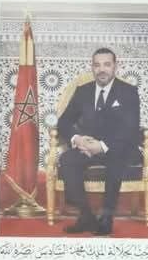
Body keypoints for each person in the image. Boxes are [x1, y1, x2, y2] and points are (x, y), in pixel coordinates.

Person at [57, 47, 141, 236]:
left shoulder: (128, 92)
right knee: (68, 159)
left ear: (115, 66)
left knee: (116, 160)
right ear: (92, 67)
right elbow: (64, 122)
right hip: (87, 147)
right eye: (97, 65)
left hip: (117, 147)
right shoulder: (83, 91)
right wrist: (78, 139)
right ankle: (86, 215)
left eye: (106, 64)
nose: (101, 69)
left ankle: (106, 217)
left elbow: (130, 129)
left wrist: (102, 146)